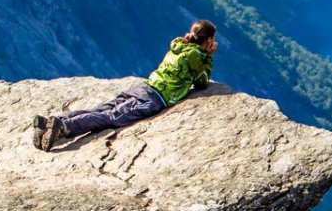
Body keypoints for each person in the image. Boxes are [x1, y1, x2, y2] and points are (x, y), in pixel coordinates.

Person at [34, 20, 218, 150]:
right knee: (111, 117)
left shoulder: (179, 45)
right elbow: (202, 81)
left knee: (102, 109)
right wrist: (208, 57)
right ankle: (64, 127)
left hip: (143, 87)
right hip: (155, 97)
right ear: (208, 40)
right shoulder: (195, 55)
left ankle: (52, 122)